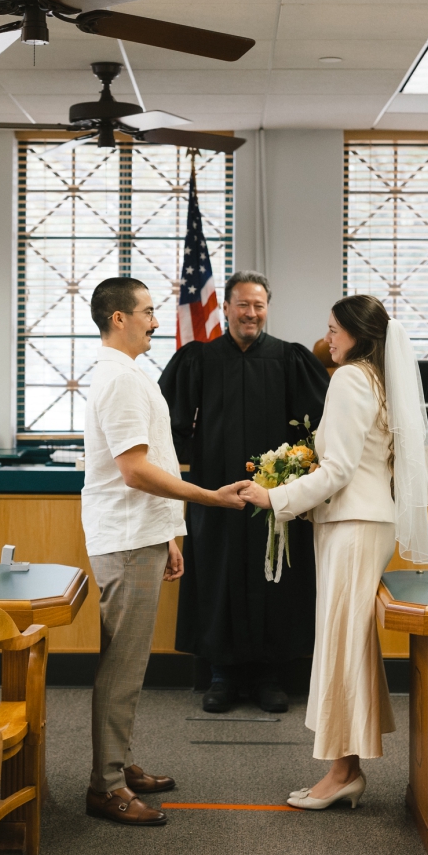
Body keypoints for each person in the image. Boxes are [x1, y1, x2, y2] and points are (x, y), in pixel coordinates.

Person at [239, 294, 428, 809]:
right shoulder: (378, 380)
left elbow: (340, 469)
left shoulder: (350, 379)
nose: (328, 338)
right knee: (349, 644)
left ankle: (342, 772)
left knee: (342, 646)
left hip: (354, 524)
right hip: (365, 521)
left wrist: (274, 496)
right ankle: (344, 766)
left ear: (358, 335)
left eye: (334, 330)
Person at [82, 277, 251, 825]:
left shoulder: (129, 374)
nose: (156, 321)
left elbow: (149, 454)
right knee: (122, 668)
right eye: (148, 312)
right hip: (128, 538)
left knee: (128, 665)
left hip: (144, 535)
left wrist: (171, 533)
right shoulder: (121, 380)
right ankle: (105, 785)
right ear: (118, 319)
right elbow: (134, 471)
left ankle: (119, 763)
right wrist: (206, 499)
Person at [159, 271, 330, 713]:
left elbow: (319, 427)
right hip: (213, 492)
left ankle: (270, 676)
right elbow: (168, 425)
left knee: (276, 579)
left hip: (274, 497)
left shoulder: (290, 359)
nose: (251, 313)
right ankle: (222, 674)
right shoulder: (198, 359)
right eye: (242, 304)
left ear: (267, 308)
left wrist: (296, 475)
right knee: (217, 576)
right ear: (225, 308)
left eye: (259, 305)